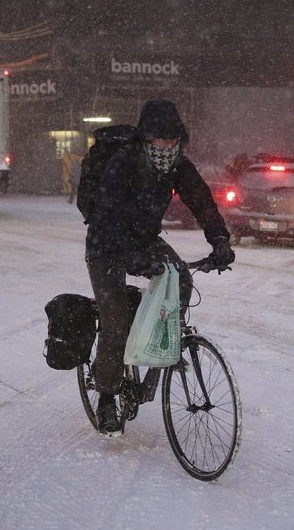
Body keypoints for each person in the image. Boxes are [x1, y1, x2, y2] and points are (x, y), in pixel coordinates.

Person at [84, 100, 235, 436]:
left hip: (144, 239)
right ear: (145, 140)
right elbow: (105, 218)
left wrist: (220, 240)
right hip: (105, 245)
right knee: (115, 321)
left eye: (172, 142)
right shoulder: (123, 163)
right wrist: (130, 258)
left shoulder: (178, 166)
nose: (166, 149)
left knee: (180, 278)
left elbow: (202, 203)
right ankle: (107, 396)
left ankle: (162, 341)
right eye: (159, 142)